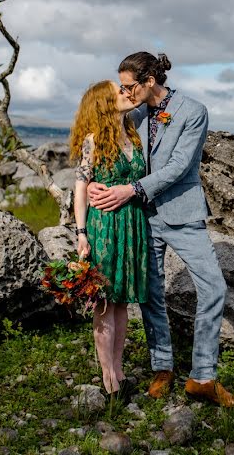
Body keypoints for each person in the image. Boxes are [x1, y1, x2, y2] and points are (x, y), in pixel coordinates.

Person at [88, 51, 234, 407]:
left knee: (214, 286)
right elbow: (108, 150)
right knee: (152, 296)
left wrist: (132, 190)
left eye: (130, 87)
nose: (125, 94)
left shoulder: (194, 111)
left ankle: (203, 375)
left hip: (183, 214)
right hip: (141, 218)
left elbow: (178, 166)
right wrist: (91, 185)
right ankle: (163, 368)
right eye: (123, 89)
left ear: (149, 81)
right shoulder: (133, 113)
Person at [71, 79, 147, 397]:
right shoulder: (93, 141)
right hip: (106, 227)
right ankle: (109, 382)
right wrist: (81, 233)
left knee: (122, 306)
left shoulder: (131, 134)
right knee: (104, 303)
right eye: (120, 91)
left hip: (133, 225)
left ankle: (119, 370)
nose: (126, 94)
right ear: (105, 102)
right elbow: (79, 186)